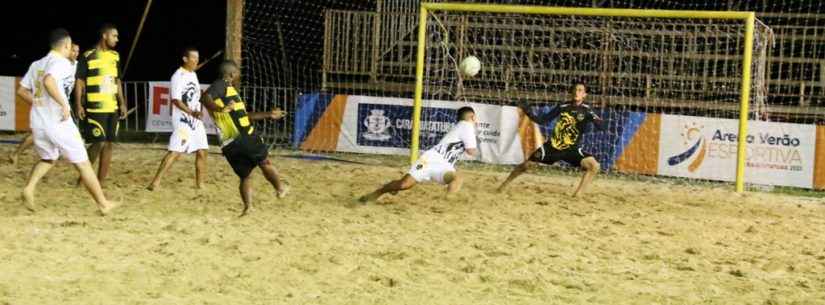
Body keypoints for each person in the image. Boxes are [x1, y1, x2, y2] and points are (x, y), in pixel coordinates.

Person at [18, 28, 118, 214]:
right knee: (83, 162)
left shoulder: (36, 63)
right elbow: (49, 81)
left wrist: (40, 103)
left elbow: (22, 91)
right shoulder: (61, 62)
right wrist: (63, 104)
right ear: (65, 45)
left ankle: (29, 188)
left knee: (48, 157)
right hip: (58, 121)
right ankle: (103, 204)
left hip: (39, 121)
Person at [201, 60, 288, 216]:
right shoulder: (222, 84)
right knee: (264, 162)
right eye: (238, 73)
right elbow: (205, 97)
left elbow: (246, 116)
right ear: (232, 74)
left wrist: (269, 114)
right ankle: (280, 188)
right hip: (244, 135)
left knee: (245, 176)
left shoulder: (229, 93)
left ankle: (248, 207)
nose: (239, 76)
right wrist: (221, 108)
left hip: (229, 143)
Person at [497, 83, 606, 197]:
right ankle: (503, 186)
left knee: (594, 166)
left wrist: (597, 122)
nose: (576, 92)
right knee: (526, 166)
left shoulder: (587, 110)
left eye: (580, 90)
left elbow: (602, 126)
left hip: (571, 149)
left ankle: (578, 195)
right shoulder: (563, 107)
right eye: (574, 90)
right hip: (553, 147)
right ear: (571, 93)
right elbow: (542, 120)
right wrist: (528, 111)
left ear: (584, 95)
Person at [359, 106, 478, 203]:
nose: (477, 120)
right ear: (472, 117)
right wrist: (478, 151)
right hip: (430, 160)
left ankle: (446, 203)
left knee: (457, 178)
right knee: (404, 185)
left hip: (445, 165)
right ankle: (376, 193)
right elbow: (471, 151)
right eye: (476, 118)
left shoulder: (462, 126)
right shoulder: (466, 125)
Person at [147, 47, 209, 190]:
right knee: (175, 151)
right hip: (182, 120)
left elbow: (194, 94)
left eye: (197, 58)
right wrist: (191, 112)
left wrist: (196, 112)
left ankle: (200, 184)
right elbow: (176, 100)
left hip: (195, 120)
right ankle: (155, 182)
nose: (196, 60)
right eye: (193, 57)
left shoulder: (192, 74)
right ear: (185, 59)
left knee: (202, 150)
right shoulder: (177, 76)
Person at [9, 43, 79, 165]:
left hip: (62, 104)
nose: (75, 53)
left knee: (58, 133)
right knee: (38, 135)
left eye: (77, 51)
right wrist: (38, 101)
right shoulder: (55, 64)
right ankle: (16, 153)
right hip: (52, 104)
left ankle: (64, 156)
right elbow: (44, 82)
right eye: (73, 50)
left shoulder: (76, 65)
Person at [75, 23, 127, 185]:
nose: (117, 39)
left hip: (112, 107)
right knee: (99, 142)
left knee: (109, 143)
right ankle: (83, 178)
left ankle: (100, 181)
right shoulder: (88, 55)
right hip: (95, 107)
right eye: (114, 36)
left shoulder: (115, 56)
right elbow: (79, 82)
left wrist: (122, 103)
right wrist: (78, 105)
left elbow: (117, 81)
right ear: (105, 35)